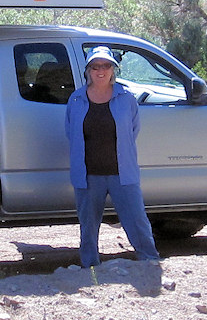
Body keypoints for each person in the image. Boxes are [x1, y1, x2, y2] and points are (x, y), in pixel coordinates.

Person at [65, 46, 159, 268]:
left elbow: (133, 130)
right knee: (88, 226)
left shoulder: (126, 98)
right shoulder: (76, 99)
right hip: (88, 175)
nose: (101, 71)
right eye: (95, 66)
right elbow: (70, 132)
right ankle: (90, 267)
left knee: (137, 221)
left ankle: (149, 261)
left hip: (122, 174)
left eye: (106, 66)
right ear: (88, 70)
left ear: (113, 70)